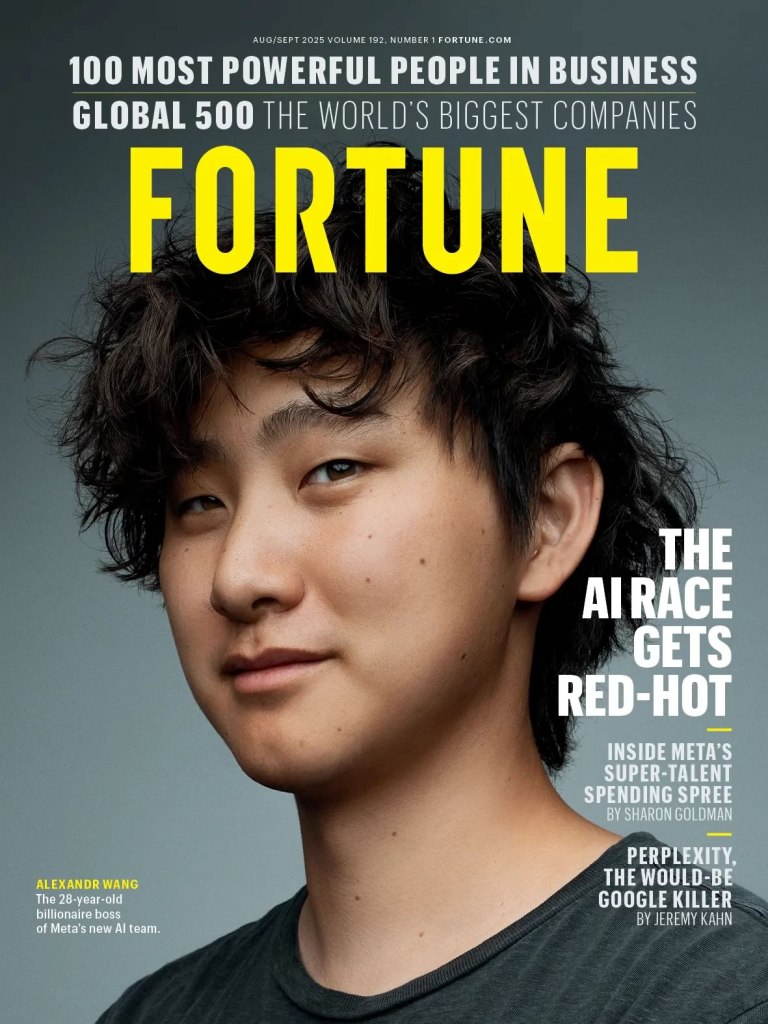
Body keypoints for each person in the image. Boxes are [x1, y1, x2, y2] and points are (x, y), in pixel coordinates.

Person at [38, 154, 768, 1022]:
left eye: (333, 468)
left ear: (546, 517)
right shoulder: (153, 1016)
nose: (239, 575)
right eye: (199, 502)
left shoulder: (715, 996)